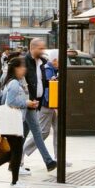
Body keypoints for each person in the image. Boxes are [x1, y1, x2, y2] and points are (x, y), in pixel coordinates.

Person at [0, 56, 38, 188]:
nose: (24, 69)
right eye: (22, 67)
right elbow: (10, 102)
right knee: (16, 151)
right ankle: (7, 178)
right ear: (16, 68)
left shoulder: (11, 82)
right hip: (12, 121)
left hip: (9, 120)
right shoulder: (14, 83)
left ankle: (1, 174)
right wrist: (27, 103)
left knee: (15, 151)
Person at [22, 38, 56, 173]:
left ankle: (15, 163)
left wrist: (50, 82)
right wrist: (26, 100)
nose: (43, 51)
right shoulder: (23, 62)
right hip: (27, 104)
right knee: (38, 132)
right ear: (32, 48)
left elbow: (41, 82)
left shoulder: (42, 62)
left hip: (36, 103)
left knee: (22, 135)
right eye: (40, 48)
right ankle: (49, 161)